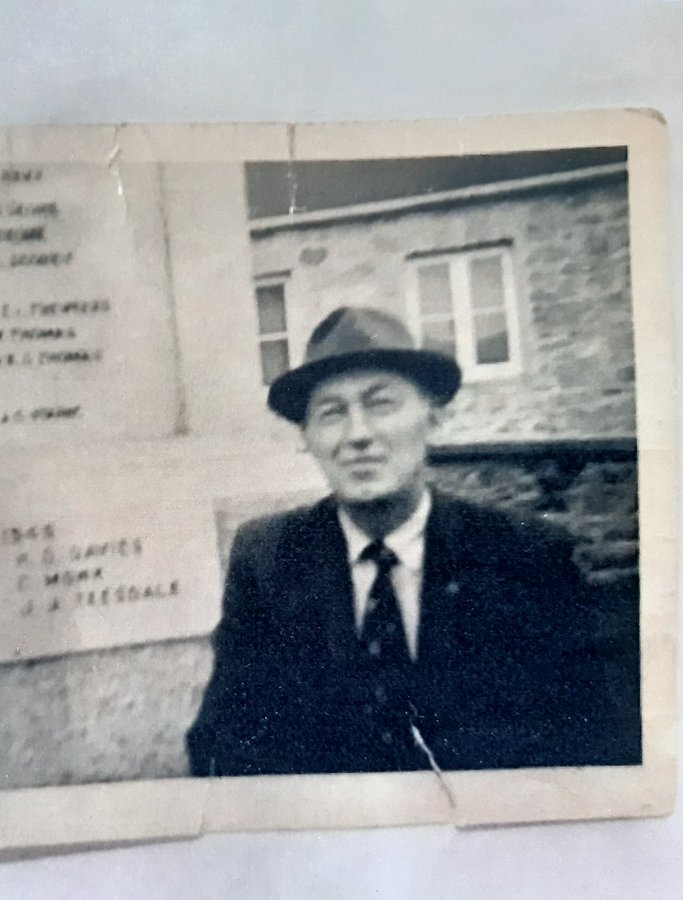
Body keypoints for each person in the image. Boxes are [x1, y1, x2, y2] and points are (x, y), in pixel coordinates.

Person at [186, 306, 640, 777]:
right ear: (307, 437)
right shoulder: (269, 560)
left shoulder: (526, 556)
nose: (358, 435)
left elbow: (594, 745)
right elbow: (222, 745)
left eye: (381, 404)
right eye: (331, 413)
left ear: (432, 416)